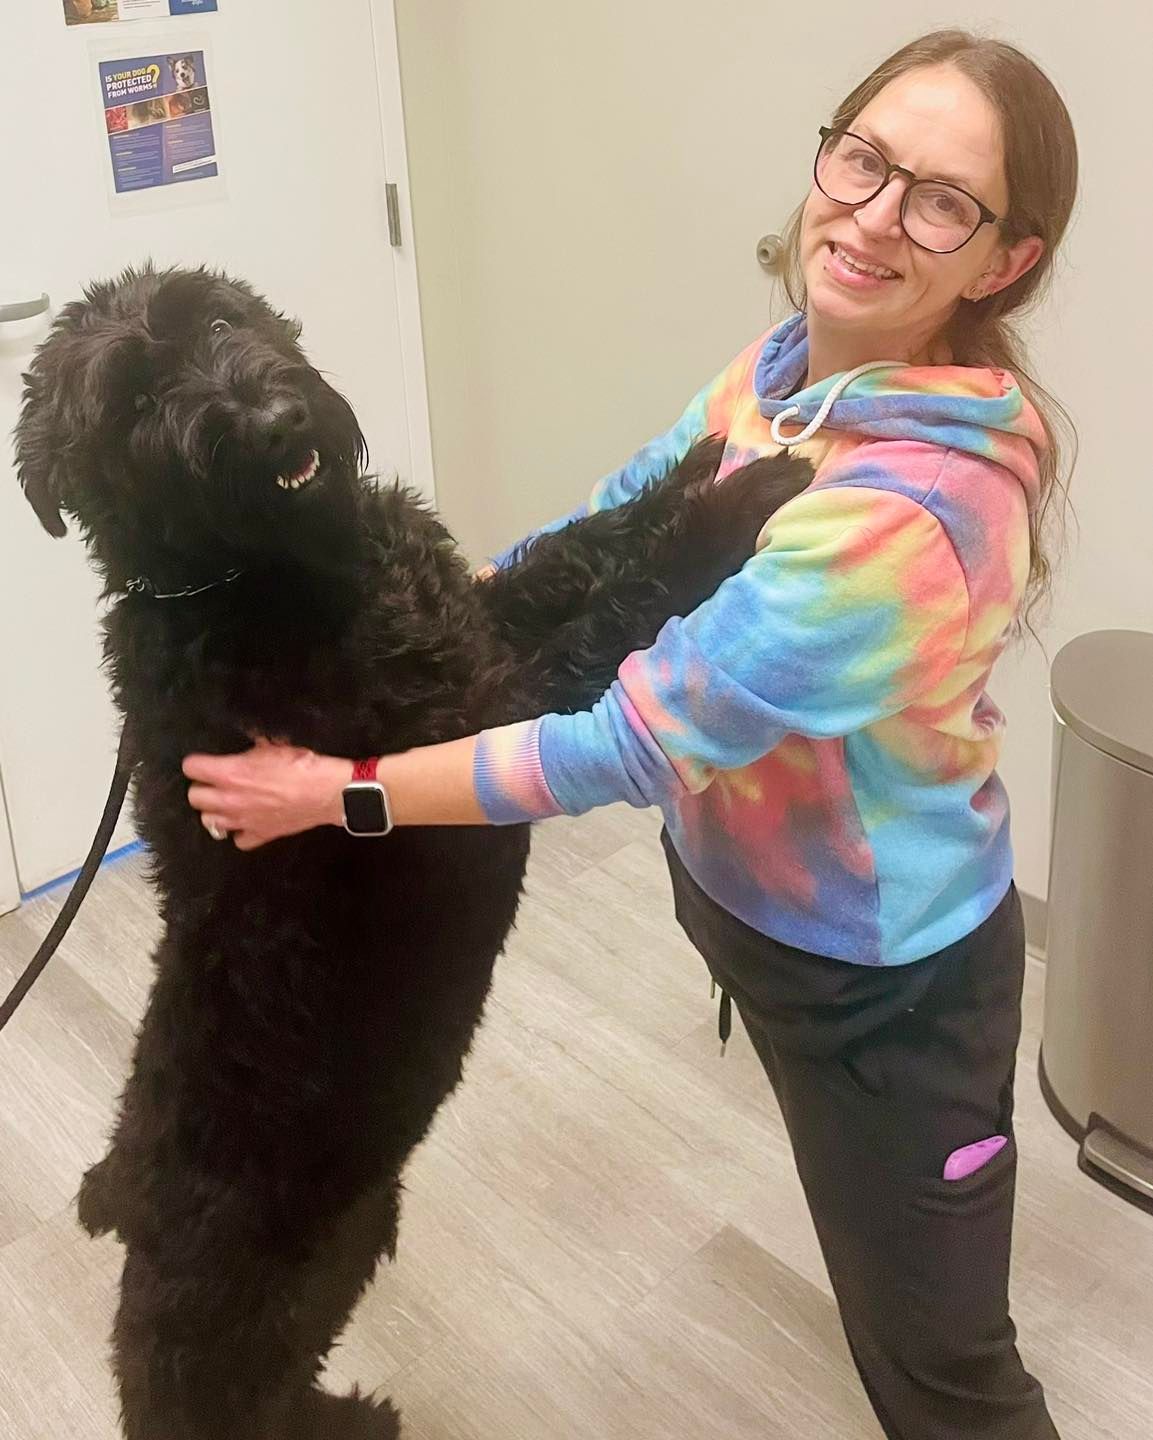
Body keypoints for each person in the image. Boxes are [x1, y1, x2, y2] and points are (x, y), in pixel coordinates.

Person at [184, 30, 1077, 1439]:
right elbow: (626, 507)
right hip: (755, 918)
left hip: (886, 1000)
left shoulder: (902, 515)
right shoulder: (786, 366)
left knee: (945, 1377)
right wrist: (439, 612)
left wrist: (336, 791)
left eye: (939, 200)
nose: (870, 214)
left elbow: (614, 745)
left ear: (1001, 260)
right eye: (863, 159)